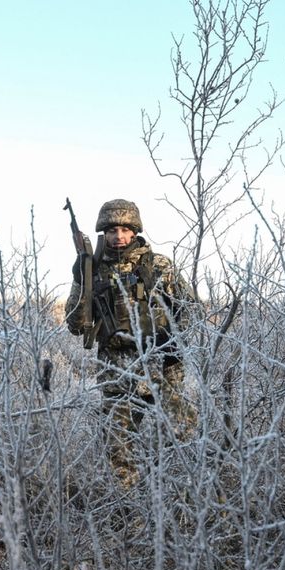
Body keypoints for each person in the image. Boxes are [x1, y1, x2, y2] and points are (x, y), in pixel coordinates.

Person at [65, 199, 196, 487]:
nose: (119, 236)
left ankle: (184, 506)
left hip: (162, 370)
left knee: (184, 439)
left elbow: (190, 309)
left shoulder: (159, 266)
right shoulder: (91, 269)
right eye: (113, 230)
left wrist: (172, 341)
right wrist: (81, 279)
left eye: (125, 229)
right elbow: (75, 326)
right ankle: (132, 514)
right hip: (116, 375)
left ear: (135, 230)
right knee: (118, 451)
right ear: (104, 232)